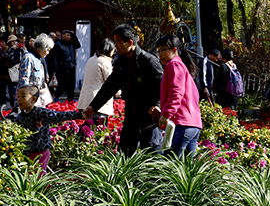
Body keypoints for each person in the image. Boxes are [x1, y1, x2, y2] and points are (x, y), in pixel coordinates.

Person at [82, 24, 163, 156]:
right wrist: (93, 106)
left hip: (149, 119)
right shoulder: (121, 63)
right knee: (123, 157)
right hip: (131, 117)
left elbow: (162, 87)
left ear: (130, 42)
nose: (115, 46)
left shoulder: (149, 61)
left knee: (153, 158)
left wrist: (158, 105)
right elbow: (109, 87)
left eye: (118, 41)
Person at [149, 34, 202, 157]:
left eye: (163, 49)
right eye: (158, 50)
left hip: (182, 125)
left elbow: (176, 92)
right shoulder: (182, 67)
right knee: (189, 169)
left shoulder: (173, 65)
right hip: (194, 125)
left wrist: (167, 113)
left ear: (174, 50)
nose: (160, 54)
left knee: (171, 165)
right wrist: (163, 112)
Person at [9, 84, 80, 174]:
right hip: (27, 152)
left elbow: (59, 116)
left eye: (23, 96)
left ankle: (47, 188)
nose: (19, 99)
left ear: (33, 99)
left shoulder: (41, 112)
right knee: (30, 175)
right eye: (18, 96)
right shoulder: (20, 116)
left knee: (38, 175)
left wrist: (79, 115)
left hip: (41, 151)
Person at [78, 39, 116, 123]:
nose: (113, 53)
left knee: (87, 131)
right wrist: (119, 92)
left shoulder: (91, 59)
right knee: (98, 130)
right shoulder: (105, 62)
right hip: (98, 102)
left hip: (85, 99)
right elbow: (111, 81)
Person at [18, 33, 54, 106]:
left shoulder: (38, 59)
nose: (48, 53)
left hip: (37, 98)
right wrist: (25, 99)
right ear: (41, 48)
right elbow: (24, 80)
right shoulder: (28, 58)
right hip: (30, 100)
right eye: (48, 50)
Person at [53, 30, 81, 101]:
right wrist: (55, 67)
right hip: (62, 68)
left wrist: (73, 35)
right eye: (67, 35)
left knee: (71, 85)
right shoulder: (58, 44)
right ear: (63, 35)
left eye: (70, 35)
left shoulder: (71, 44)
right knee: (61, 85)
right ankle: (56, 96)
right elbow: (55, 57)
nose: (69, 37)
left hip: (71, 66)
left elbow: (78, 45)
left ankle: (70, 99)